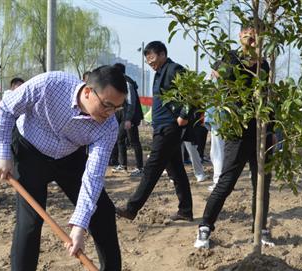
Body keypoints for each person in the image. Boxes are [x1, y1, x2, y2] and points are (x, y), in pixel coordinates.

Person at [0, 66, 147, 271]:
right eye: (107, 105)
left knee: (103, 211)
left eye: (116, 109)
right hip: (29, 150)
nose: (110, 114)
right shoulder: (51, 84)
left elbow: (93, 177)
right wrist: (2, 151)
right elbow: (6, 108)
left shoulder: (107, 126)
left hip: (68, 155)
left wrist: (79, 225)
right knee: (30, 223)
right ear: (88, 92)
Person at [194, 21, 275, 249]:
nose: (253, 40)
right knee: (227, 182)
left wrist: (272, 130)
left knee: (262, 185)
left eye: (259, 37)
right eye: (250, 35)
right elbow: (221, 79)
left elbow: (267, 98)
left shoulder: (265, 65)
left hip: (262, 132)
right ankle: (205, 227)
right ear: (240, 35)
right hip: (238, 132)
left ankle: (260, 229)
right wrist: (245, 59)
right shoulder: (230, 59)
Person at [116, 41, 194, 222]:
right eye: (147, 59)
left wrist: (184, 115)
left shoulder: (174, 69)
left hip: (169, 128)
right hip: (161, 128)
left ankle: (131, 208)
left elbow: (191, 93)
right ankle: (185, 210)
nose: (149, 62)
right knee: (176, 171)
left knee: (151, 169)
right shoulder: (159, 73)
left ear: (162, 54)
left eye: (151, 57)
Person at [111, 63, 144, 177]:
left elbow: (131, 103)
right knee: (120, 139)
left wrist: (128, 119)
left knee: (134, 141)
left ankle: (140, 167)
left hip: (130, 117)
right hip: (125, 116)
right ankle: (122, 165)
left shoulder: (127, 83)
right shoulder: (121, 83)